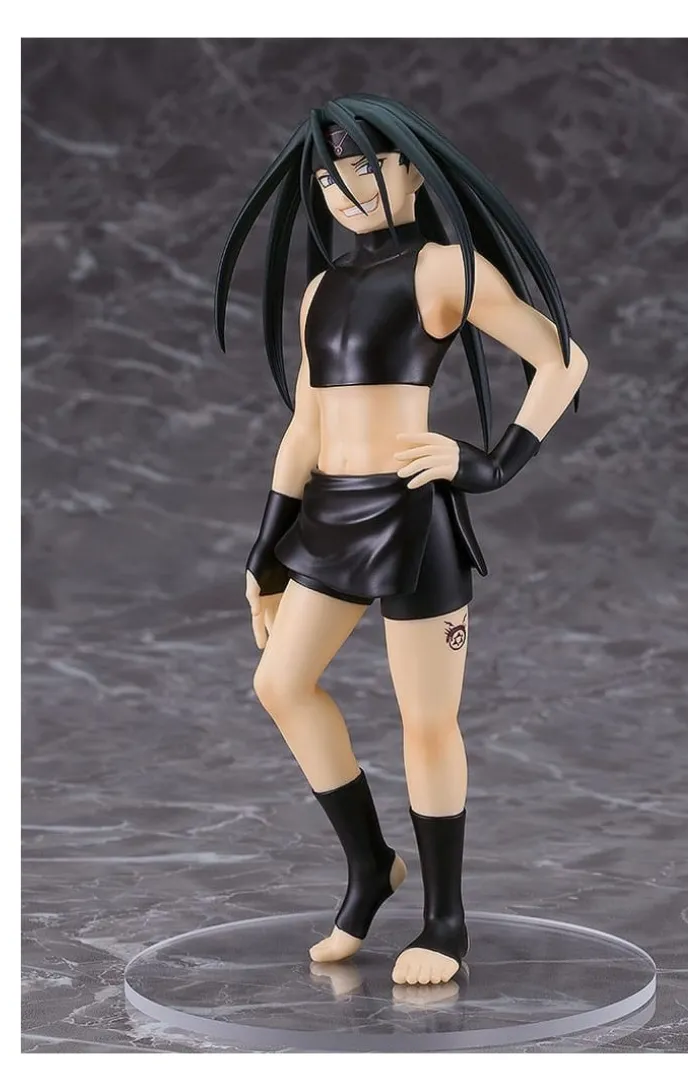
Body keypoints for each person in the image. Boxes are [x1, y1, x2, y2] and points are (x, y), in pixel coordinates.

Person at [214, 94, 588, 986]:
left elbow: (562, 359)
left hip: (416, 517)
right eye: (326, 178)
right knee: (280, 683)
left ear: (412, 169)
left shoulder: (443, 270)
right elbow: (306, 425)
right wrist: (267, 546)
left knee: (426, 721)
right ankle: (370, 865)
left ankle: (445, 920)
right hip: (331, 513)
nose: (343, 189)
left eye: (362, 166)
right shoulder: (320, 290)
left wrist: (493, 463)